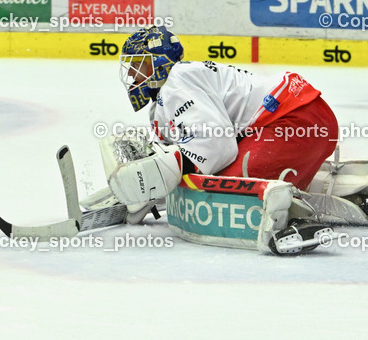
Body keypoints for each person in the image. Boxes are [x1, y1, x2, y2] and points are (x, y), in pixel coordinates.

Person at [109, 25, 339, 251]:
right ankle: (344, 190)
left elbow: (218, 147)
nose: (131, 74)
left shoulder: (177, 80)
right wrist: (145, 190)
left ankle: (292, 219)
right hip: (305, 119)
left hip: (296, 121)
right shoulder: (162, 105)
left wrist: (163, 173)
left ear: (160, 63)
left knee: (221, 190)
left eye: (139, 64)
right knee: (204, 182)